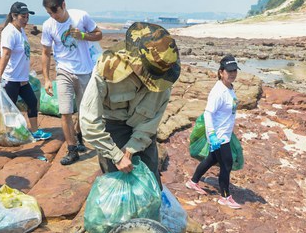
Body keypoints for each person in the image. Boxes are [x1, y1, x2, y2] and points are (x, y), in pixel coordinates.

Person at [79, 22, 180, 185]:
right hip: (113, 126)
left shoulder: (164, 75)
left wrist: (132, 147)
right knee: (116, 184)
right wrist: (116, 155)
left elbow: (152, 120)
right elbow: (89, 121)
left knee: (151, 182)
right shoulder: (108, 67)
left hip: (143, 127)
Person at [41, 0, 102, 165]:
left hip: (84, 71)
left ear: (63, 4)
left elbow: (99, 35)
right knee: (65, 112)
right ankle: (72, 149)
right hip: (64, 71)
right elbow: (45, 53)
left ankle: (79, 134)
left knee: (84, 112)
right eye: (49, 13)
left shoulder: (81, 17)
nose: (53, 16)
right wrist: (46, 79)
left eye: (55, 11)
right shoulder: (48, 25)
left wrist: (83, 35)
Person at [185, 55, 243, 209]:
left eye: (234, 70)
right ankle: (225, 197)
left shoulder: (229, 87)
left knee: (211, 159)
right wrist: (212, 135)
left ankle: (193, 181)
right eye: (229, 71)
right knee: (226, 164)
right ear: (221, 72)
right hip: (218, 136)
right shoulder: (218, 91)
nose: (232, 74)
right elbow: (208, 114)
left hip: (225, 133)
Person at [0, 1, 51, 140]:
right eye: (23, 17)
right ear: (14, 16)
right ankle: (5, 134)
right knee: (8, 109)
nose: (26, 20)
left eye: (27, 17)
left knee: (32, 102)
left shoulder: (21, 30)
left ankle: (35, 131)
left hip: (22, 79)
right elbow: (6, 54)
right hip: (11, 78)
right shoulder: (9, 32)